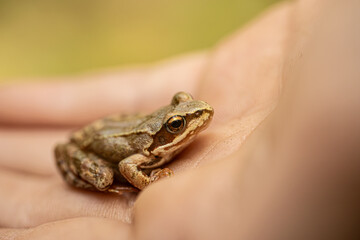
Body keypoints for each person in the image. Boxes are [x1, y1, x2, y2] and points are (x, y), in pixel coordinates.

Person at [0, 0, 359, 239]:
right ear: (165, 132)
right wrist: (148, 180)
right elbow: (127, 163)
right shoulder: (146, 151)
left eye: (181, 113)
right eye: (178, 125)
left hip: (120, 126)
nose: (195, 117)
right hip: (96, 147)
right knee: (105, 174)